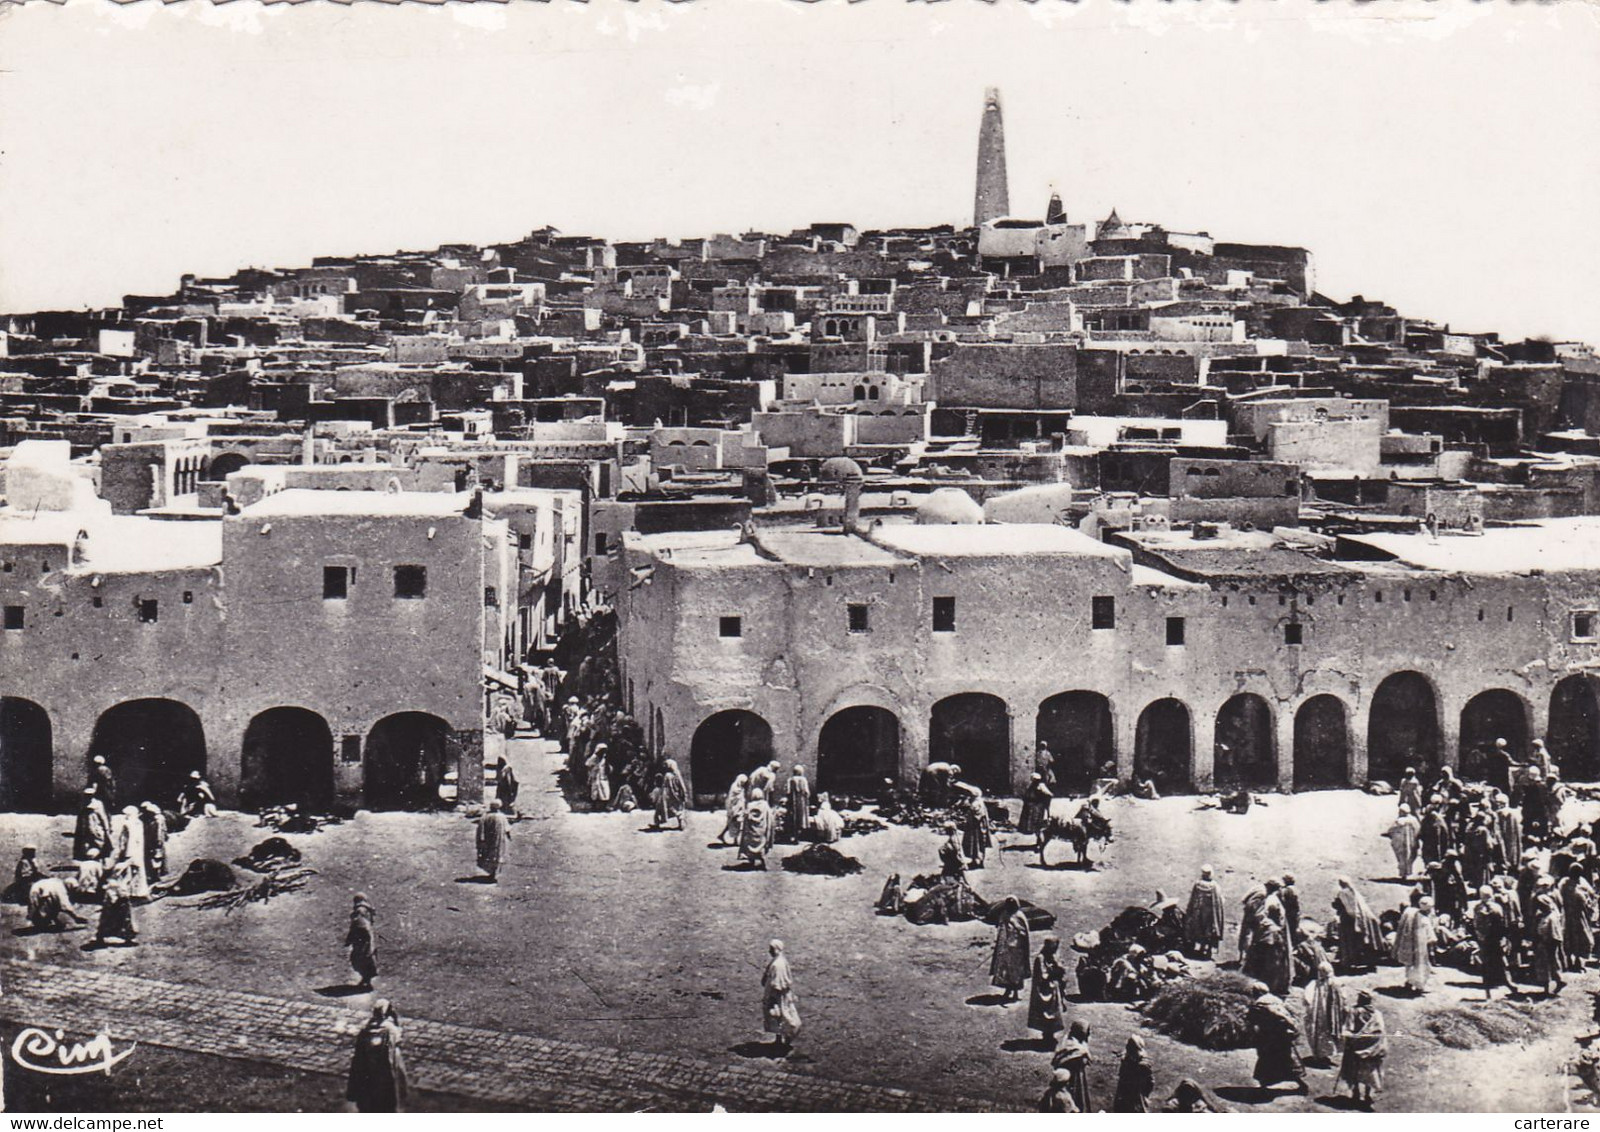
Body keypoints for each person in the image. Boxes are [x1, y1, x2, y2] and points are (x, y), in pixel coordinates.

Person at [346, 1000, 409, 1113]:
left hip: (367, 1071)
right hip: (385, 1071)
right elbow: (398, 1039)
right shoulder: (390, 1029)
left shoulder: (365, 1026)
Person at [1247, 989, 1307, 1093]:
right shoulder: (1276, 1000)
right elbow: (1287, 1016)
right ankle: (1301, 1084)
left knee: (1267, 1059)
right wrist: (1292, 1028)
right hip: (1282, 1035)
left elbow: (1252, 1019)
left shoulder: (1260, 1004)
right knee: (1287, 1060)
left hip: (1269, 1036)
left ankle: (1264, 1085)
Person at [1336, 990, 1387, 1109]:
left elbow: (1348, 1028)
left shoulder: (1354, 1011)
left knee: (1354, 1070)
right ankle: (1368, 1094)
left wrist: (1350, 1038)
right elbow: (1380, 1031)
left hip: (1355, 1047)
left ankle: (1356, 1092)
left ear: (1361, 999)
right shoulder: (1377, 1014)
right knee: (1369, 1071)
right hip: (1371, 1049)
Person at [1333, 877, 1386, 972]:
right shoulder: (1355, 893)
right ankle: (1368, 963)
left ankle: (1349, 962)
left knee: (1349, 942)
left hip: (1351, 921)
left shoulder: (1343, 893)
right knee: (1366, 942)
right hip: (1363, 920)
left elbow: (1346, 908)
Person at [761, 940, 801, 1054]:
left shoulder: (778, 964)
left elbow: (777, 984)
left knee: (783, 1016)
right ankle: (779, 1039)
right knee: (778, 1017)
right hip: (779, 995)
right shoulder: (779, 960)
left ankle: (786, 1038)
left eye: (771, 949)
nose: (769, 951)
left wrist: (772, 998)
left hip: (777, 996)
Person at [990, 896, 1031, 1003]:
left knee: (1016, 972)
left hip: (1017, 949)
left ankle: (1016, 993)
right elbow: (1001, 928)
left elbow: (1024, 933)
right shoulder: (1004, 914)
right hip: (1006, 948)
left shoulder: (1020, 916)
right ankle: (1008, 991)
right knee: (1006, 971)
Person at [1304, 961, 1347, 1064]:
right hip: (1334, 1014)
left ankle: (1320, 1054)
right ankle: (1330, 1051)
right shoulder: (1338, 982)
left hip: (1319, 1014)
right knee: (1332, 1031)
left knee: (1319, 1032)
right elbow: (1344, 998)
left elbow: (1307, 999)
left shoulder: (1315, 984)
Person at [1393, 895, 1436, 994]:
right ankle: (1420, 986)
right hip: (1420, 948)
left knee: (1410, 965)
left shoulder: (1410, 913)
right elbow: (1431, 938)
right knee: (1420, 966)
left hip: (1409, 945)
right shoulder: (1424, 920)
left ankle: (1409, 982)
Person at [1027, 937, 1068, 1042]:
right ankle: (1046, 1035)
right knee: (1045, 1012)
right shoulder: (1040, 959)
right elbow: (1042, 976)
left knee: (1054, 1011)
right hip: (1044, 990)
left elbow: (1062, 970)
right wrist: (1055, 972)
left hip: (1054, 988)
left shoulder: (1054, 957)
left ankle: (1051, 1034)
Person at [1473, 885, 1510, 999]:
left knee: (1486, 965)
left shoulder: (1478, 908)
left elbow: (1476, 924)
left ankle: (1488, 992)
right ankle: (1508, 983)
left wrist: (1480, 936)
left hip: (1484, 940)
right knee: (1501, 961)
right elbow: (1503, 923)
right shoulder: (1497, 907)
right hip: (1495, 939)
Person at [1533, 875, 1567, 996]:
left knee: (1545, 965)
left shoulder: (1547, 919)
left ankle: (1547, 988)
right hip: (1552, 941)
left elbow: (1544, 932)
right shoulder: (1553, 914)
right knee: (1553, 962)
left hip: (1547, 943)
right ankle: (1558, 980)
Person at [1183, 865, 1225, 959]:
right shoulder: (1214, 886)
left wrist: (1190, 910)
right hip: (1210, 913)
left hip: (1198, 911)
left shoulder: (1198, 884)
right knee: (1209, 930)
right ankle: (1208, 950)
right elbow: (1219, 901)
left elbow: (1193, 898)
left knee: (1198, 928)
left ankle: (1200, 948)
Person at [1051, 1021, 1093, 1113]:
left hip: (1077, 1075)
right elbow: (1066, 1057)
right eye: (1086, 1032)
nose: (1088, 1034)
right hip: (1071, 1076)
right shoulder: (1072, 1045)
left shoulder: (1077, 1041)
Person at [1562, 863, 1596, 971]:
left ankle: (1578, 960)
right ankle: (1568, 961)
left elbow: (1591, 895)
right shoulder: (1564, 884)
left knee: (1581, 938)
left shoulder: (1583, 883)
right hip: (1567, 915)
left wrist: (1589, 905)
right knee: (1568, 937)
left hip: (1580, 915)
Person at [112, 806, 149, 900]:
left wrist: (121, 851)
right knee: (138, 871)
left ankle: (126, 891)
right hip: (138, 850)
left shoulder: (126, 824)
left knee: (126, 872)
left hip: (129, 851)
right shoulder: (139, 823)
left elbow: (123, 840)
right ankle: (139, 891)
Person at [1113, 1034, 1154, 1113]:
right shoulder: (1126, 1059)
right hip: (1123, 1091)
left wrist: (1145, 1094)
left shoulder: (1143, 1065)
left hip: (1136, 1094)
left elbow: (1150, 1082)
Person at [347, 892, 379, 991]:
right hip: (368, 937)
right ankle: (366, 979)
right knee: (368, 956)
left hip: (361, 938)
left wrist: (351, 938)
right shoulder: (367, 909)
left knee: (360, 958)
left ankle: (366, 980)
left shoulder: (359, 911)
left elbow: (359, 925)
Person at [476, 799, 512, 883]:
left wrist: (481, 839)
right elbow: (507, 828)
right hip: (499, 840)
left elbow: (481, 828)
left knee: (489, 855)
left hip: (488, 839)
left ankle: (491, 873)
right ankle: (494, 873)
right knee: (497, 855)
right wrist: (509, 836)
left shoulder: (485, 816)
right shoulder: (502, 816)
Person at [959, 785, 993, 869]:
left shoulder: (975, 804)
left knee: (975, 844)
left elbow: (976, 816)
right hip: (980, 827)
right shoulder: (980, 802)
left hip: (975, 828)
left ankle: (976, 861)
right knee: (980, 844)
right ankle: (979, 861)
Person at [95, 876, 137, 946]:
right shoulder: (114, 890)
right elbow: (114, 900)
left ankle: (101, 937)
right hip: (115, 908)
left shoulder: (112, 890)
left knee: (108, 923)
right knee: (122, 923)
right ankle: (127, 938)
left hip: (115, 907)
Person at [73, 789, 112, 861]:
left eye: (90, 795)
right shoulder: (82, 804)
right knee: (86, 847)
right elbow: (80, 819)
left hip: (96, 830)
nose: (88, 797)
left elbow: (103, 818)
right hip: (85, 830)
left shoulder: (98, 804)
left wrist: (107, 829)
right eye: (87, 796)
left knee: (100, 846)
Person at [738, 788, 773, 869]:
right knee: (761, 845)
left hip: (751, 830)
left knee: (750, 844)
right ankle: (762, 860)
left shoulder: (750, 805)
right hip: (761, 830)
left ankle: (751, 861)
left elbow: (747, 816)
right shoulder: (765, 805)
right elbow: (769, 817)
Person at [1384, 805, 1421, 880]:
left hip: (1401, 844)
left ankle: (1403, 874)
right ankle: (1407, 872)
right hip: (1411, 844)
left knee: (1402, 859)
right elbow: (1418, 830)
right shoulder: (1414, 820)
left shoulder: (1399, 821)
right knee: (1409, 858)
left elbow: (1391, 830)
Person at [652, 759, 688, 831]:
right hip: (676, 795)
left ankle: (657, 823)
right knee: (678, 810)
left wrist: (662, 796)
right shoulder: (677, 774)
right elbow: (682, 785)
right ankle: (681, 822)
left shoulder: (667, 775)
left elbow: (664, 787)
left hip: (668, 796)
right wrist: (684, 794)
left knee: (659, 809)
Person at [138, 801, 167, 883]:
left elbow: (159, 832)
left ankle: (156, 876)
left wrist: (158, 841)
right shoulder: (154, 818)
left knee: (156, 858)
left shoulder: (157, 820)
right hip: (153, 841)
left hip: (156, 842)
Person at [783, 765, 812, 842]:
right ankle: (798, 836)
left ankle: (792, 835)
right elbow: (807, 792)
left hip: (792, 802)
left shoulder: (790, 780)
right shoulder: (803, 780)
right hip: (801, 802)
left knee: (792, 817)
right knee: (801, 817)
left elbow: (788, 792)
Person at [720, 774, 749, 846]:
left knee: (734, 823)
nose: (743, 784)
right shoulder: (735, 788)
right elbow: (732, 799)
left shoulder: (740, 788)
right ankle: (734, 840)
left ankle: (723, 836)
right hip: (734, 808)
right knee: (735, 823)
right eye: (742, 782)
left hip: (739, 808)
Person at [585, 743, 612, 808]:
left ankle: (605, 805)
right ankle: (594, 805)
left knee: (605, 790)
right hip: (595, 776)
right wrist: (592, 771)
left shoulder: (604, 757)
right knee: (595, 791)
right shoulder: (594, 757)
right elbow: (587, 764)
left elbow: (607, 766)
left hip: (603, 776)